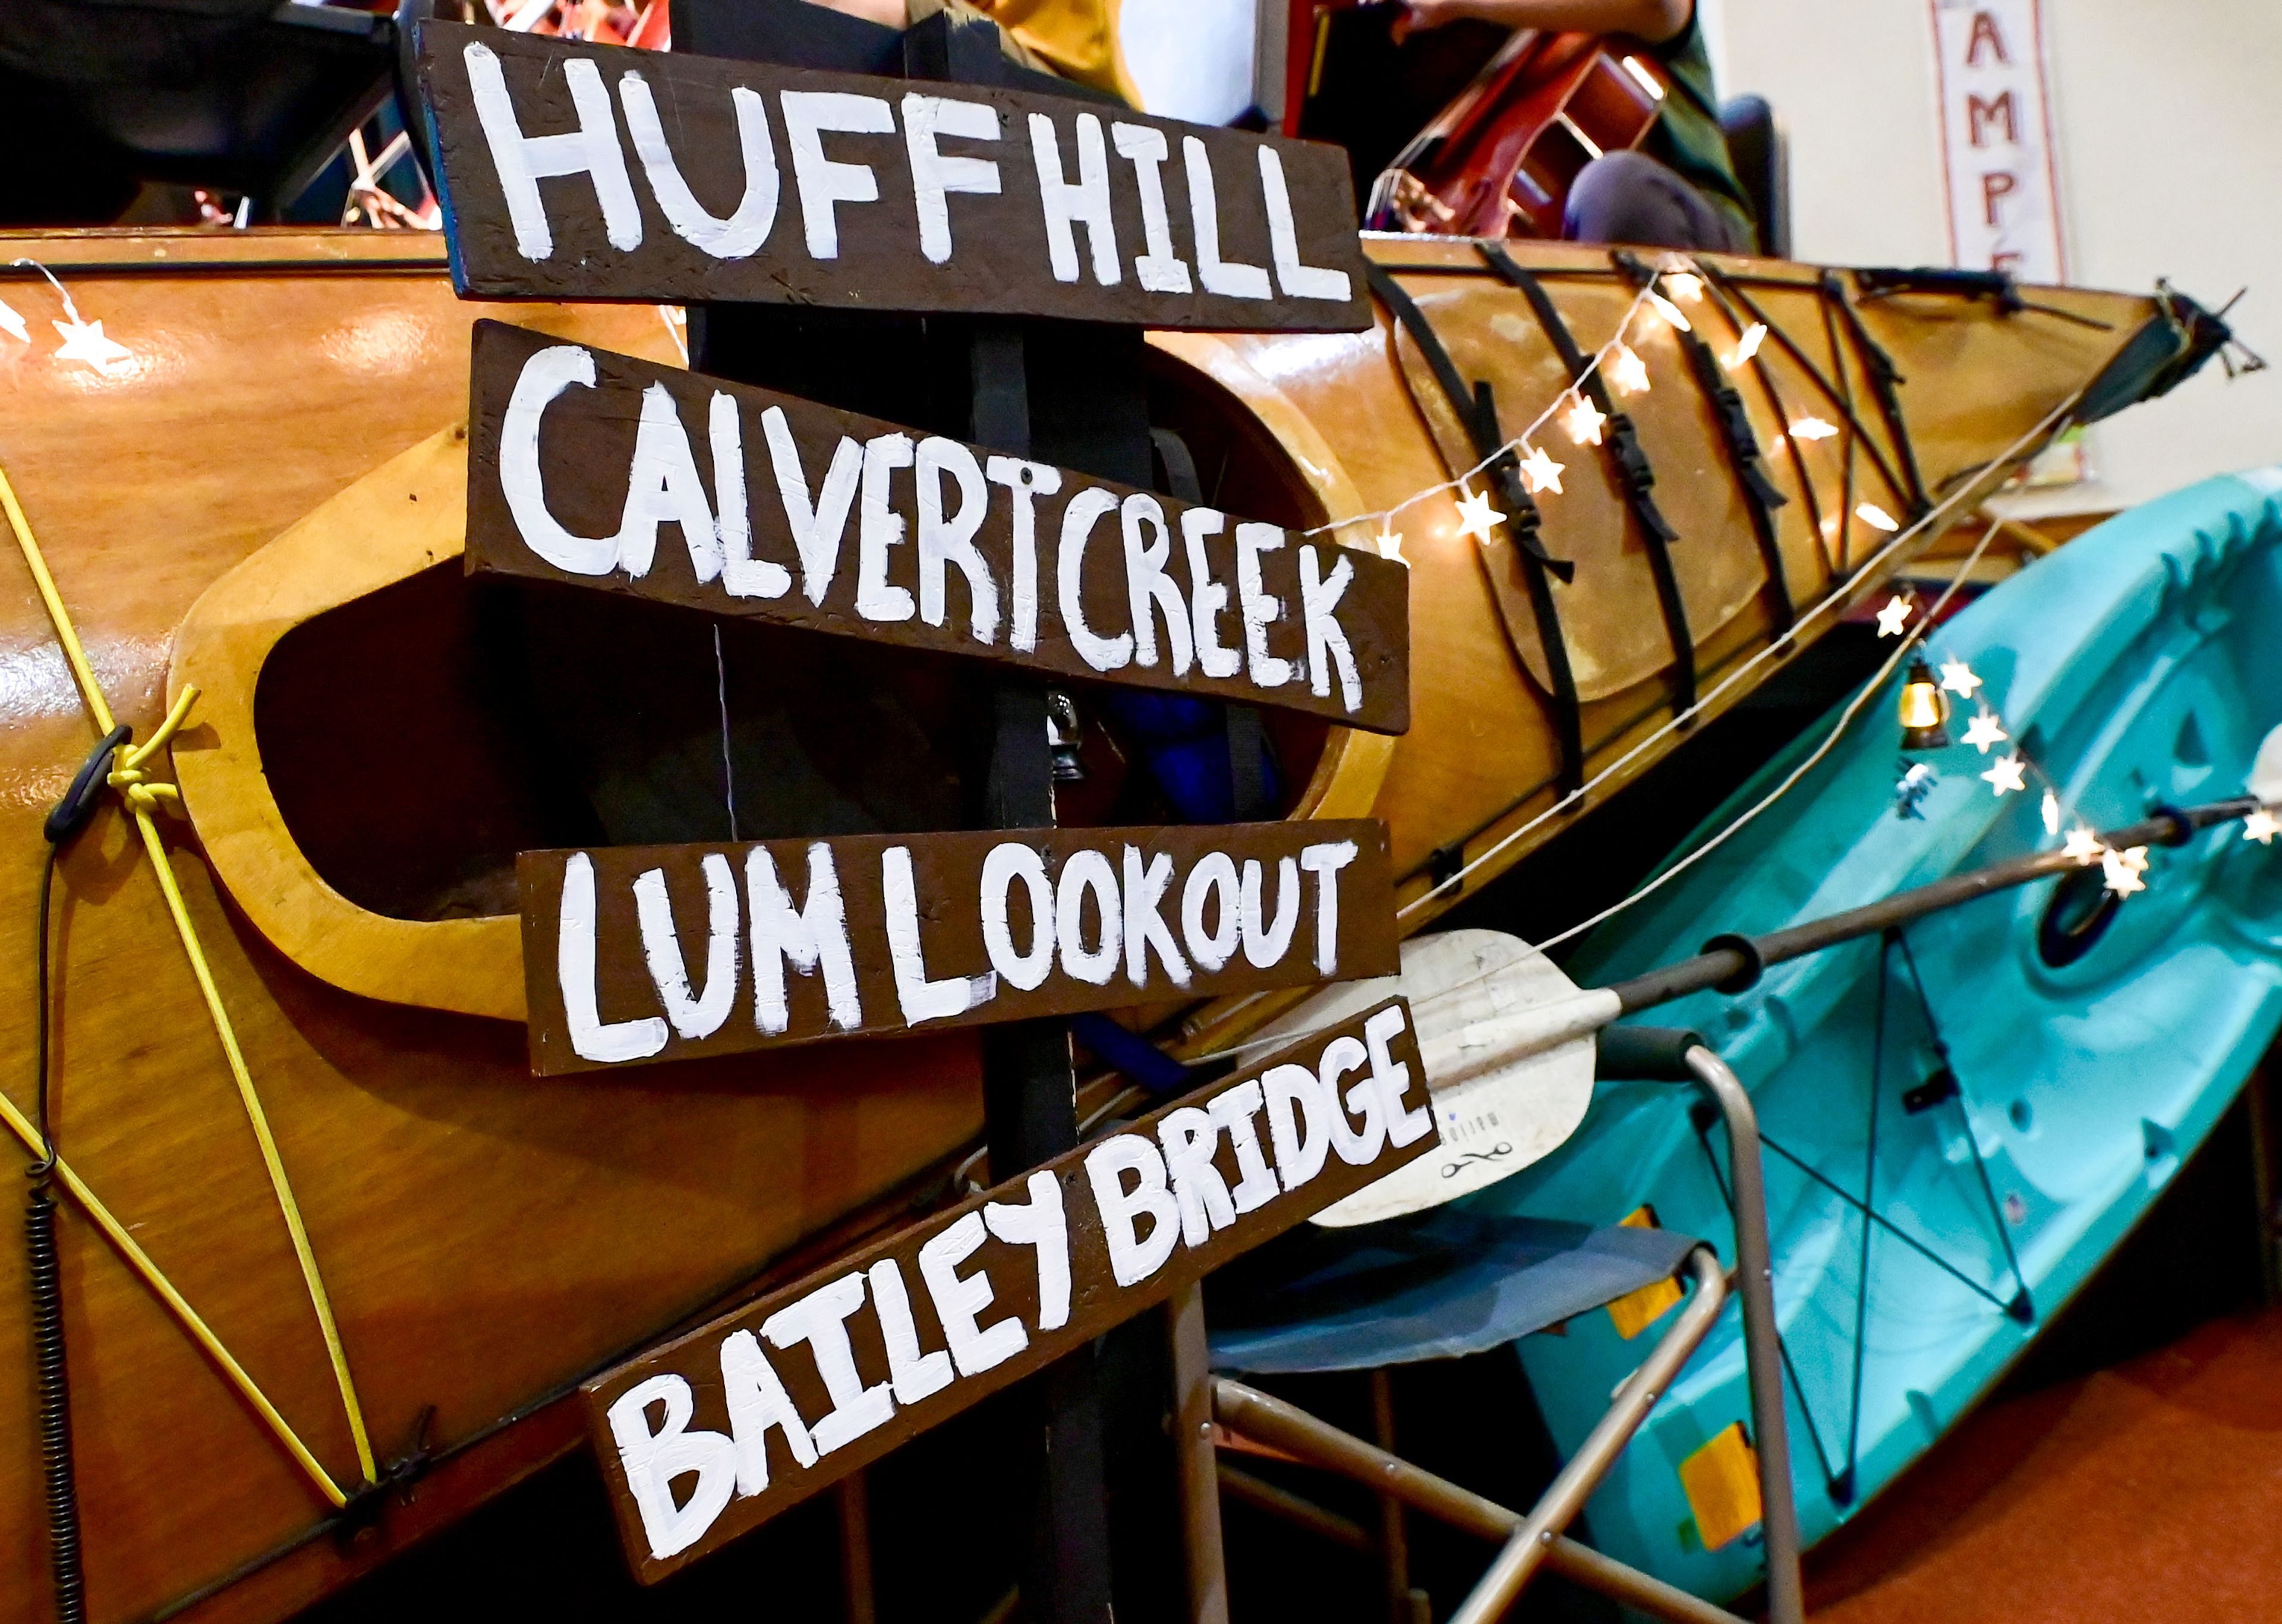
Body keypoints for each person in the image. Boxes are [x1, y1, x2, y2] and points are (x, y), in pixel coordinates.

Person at [1394, 0, 1755, 252]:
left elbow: (1658, 4)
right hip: (1565, 265)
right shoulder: (1521, 41)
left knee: (1614, 186)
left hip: (1699, 247)